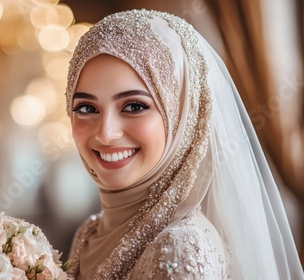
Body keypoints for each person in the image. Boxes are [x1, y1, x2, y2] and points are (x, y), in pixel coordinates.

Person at [65, 9, 304, 279]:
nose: (106, 134)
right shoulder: (89, 234)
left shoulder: (179, 250)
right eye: (86, 108)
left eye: (134, 106)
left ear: (183, 116)